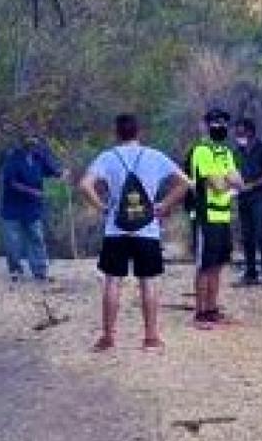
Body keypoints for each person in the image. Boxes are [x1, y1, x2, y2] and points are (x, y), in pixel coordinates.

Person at [80, 113, 190, 351]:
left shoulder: (108, 157)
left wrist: (103, 208)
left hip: (116, 229)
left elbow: (84, 185)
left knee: (112, 281)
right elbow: (185, 183)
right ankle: (150, 337)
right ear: (139, 132)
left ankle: (108, 337)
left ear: (117, 133)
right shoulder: (155, 156)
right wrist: (163, 205)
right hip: (147, 229)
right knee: (148, 282)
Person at [190, 107, 244, 329]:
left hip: (224, 215)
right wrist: (228, 179)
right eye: (215, 122)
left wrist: (228, 181)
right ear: (206, 125)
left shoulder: (226, 152)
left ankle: (212, 308)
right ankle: (200, 312)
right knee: (205, 264)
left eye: (223, 123)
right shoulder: (202, 151)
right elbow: (219, 185)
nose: (220, 126)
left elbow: (240, 182)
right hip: (206, 215)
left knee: (219, 263)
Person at [0, 134, 65, 282]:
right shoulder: (12, 158)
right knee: (13, 241)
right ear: (23, 143)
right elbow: (11, 183)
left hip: (32, 206)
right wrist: (32, 191)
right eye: (29, 141)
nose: (33, 144)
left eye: (35, 141)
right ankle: (15, 269)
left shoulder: (39, 157)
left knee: (36, 237)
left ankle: (40, 270)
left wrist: (62, 174)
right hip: (12, 207)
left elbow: (53, 171)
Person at [233, 117, 262, 288]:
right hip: (242, 197)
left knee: (261, 235)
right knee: (246, 236)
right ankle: (250, 273)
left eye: (241, 132)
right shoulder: (238, 151)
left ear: (250, 132)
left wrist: (253, 185)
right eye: (237, 133)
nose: (238, 135)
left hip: (260, 198)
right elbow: (234, 171)